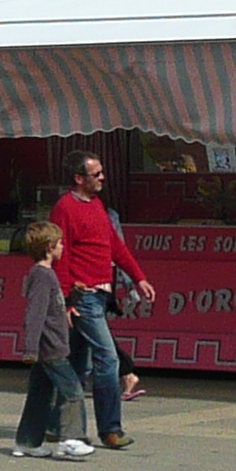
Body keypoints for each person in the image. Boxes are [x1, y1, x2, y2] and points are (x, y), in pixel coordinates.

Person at [53, 152, 156, 450]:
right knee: (107, 359)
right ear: (79, 178)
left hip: (99, 295)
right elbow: (63, 256)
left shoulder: (97, 206)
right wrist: (66, 299)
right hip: (83, 296)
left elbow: (115, 247)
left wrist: (139, 278)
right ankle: (110, 428)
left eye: (100, 173)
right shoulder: (65, 208)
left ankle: (54, 423)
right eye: (95, 174)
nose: (101, 178)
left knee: (74, 364)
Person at [8, 221, 94, 460]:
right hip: (51, 348)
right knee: (73, 391)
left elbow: (52, 308)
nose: (63, 247)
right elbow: (35, 313)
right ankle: (71, 438)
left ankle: (27, 442)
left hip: (48, 346)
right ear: (48, 247)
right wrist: (31, 347)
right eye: (59, 244)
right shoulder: (42, 275)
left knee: (39, 395)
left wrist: (74, 297)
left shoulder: (44, 274)